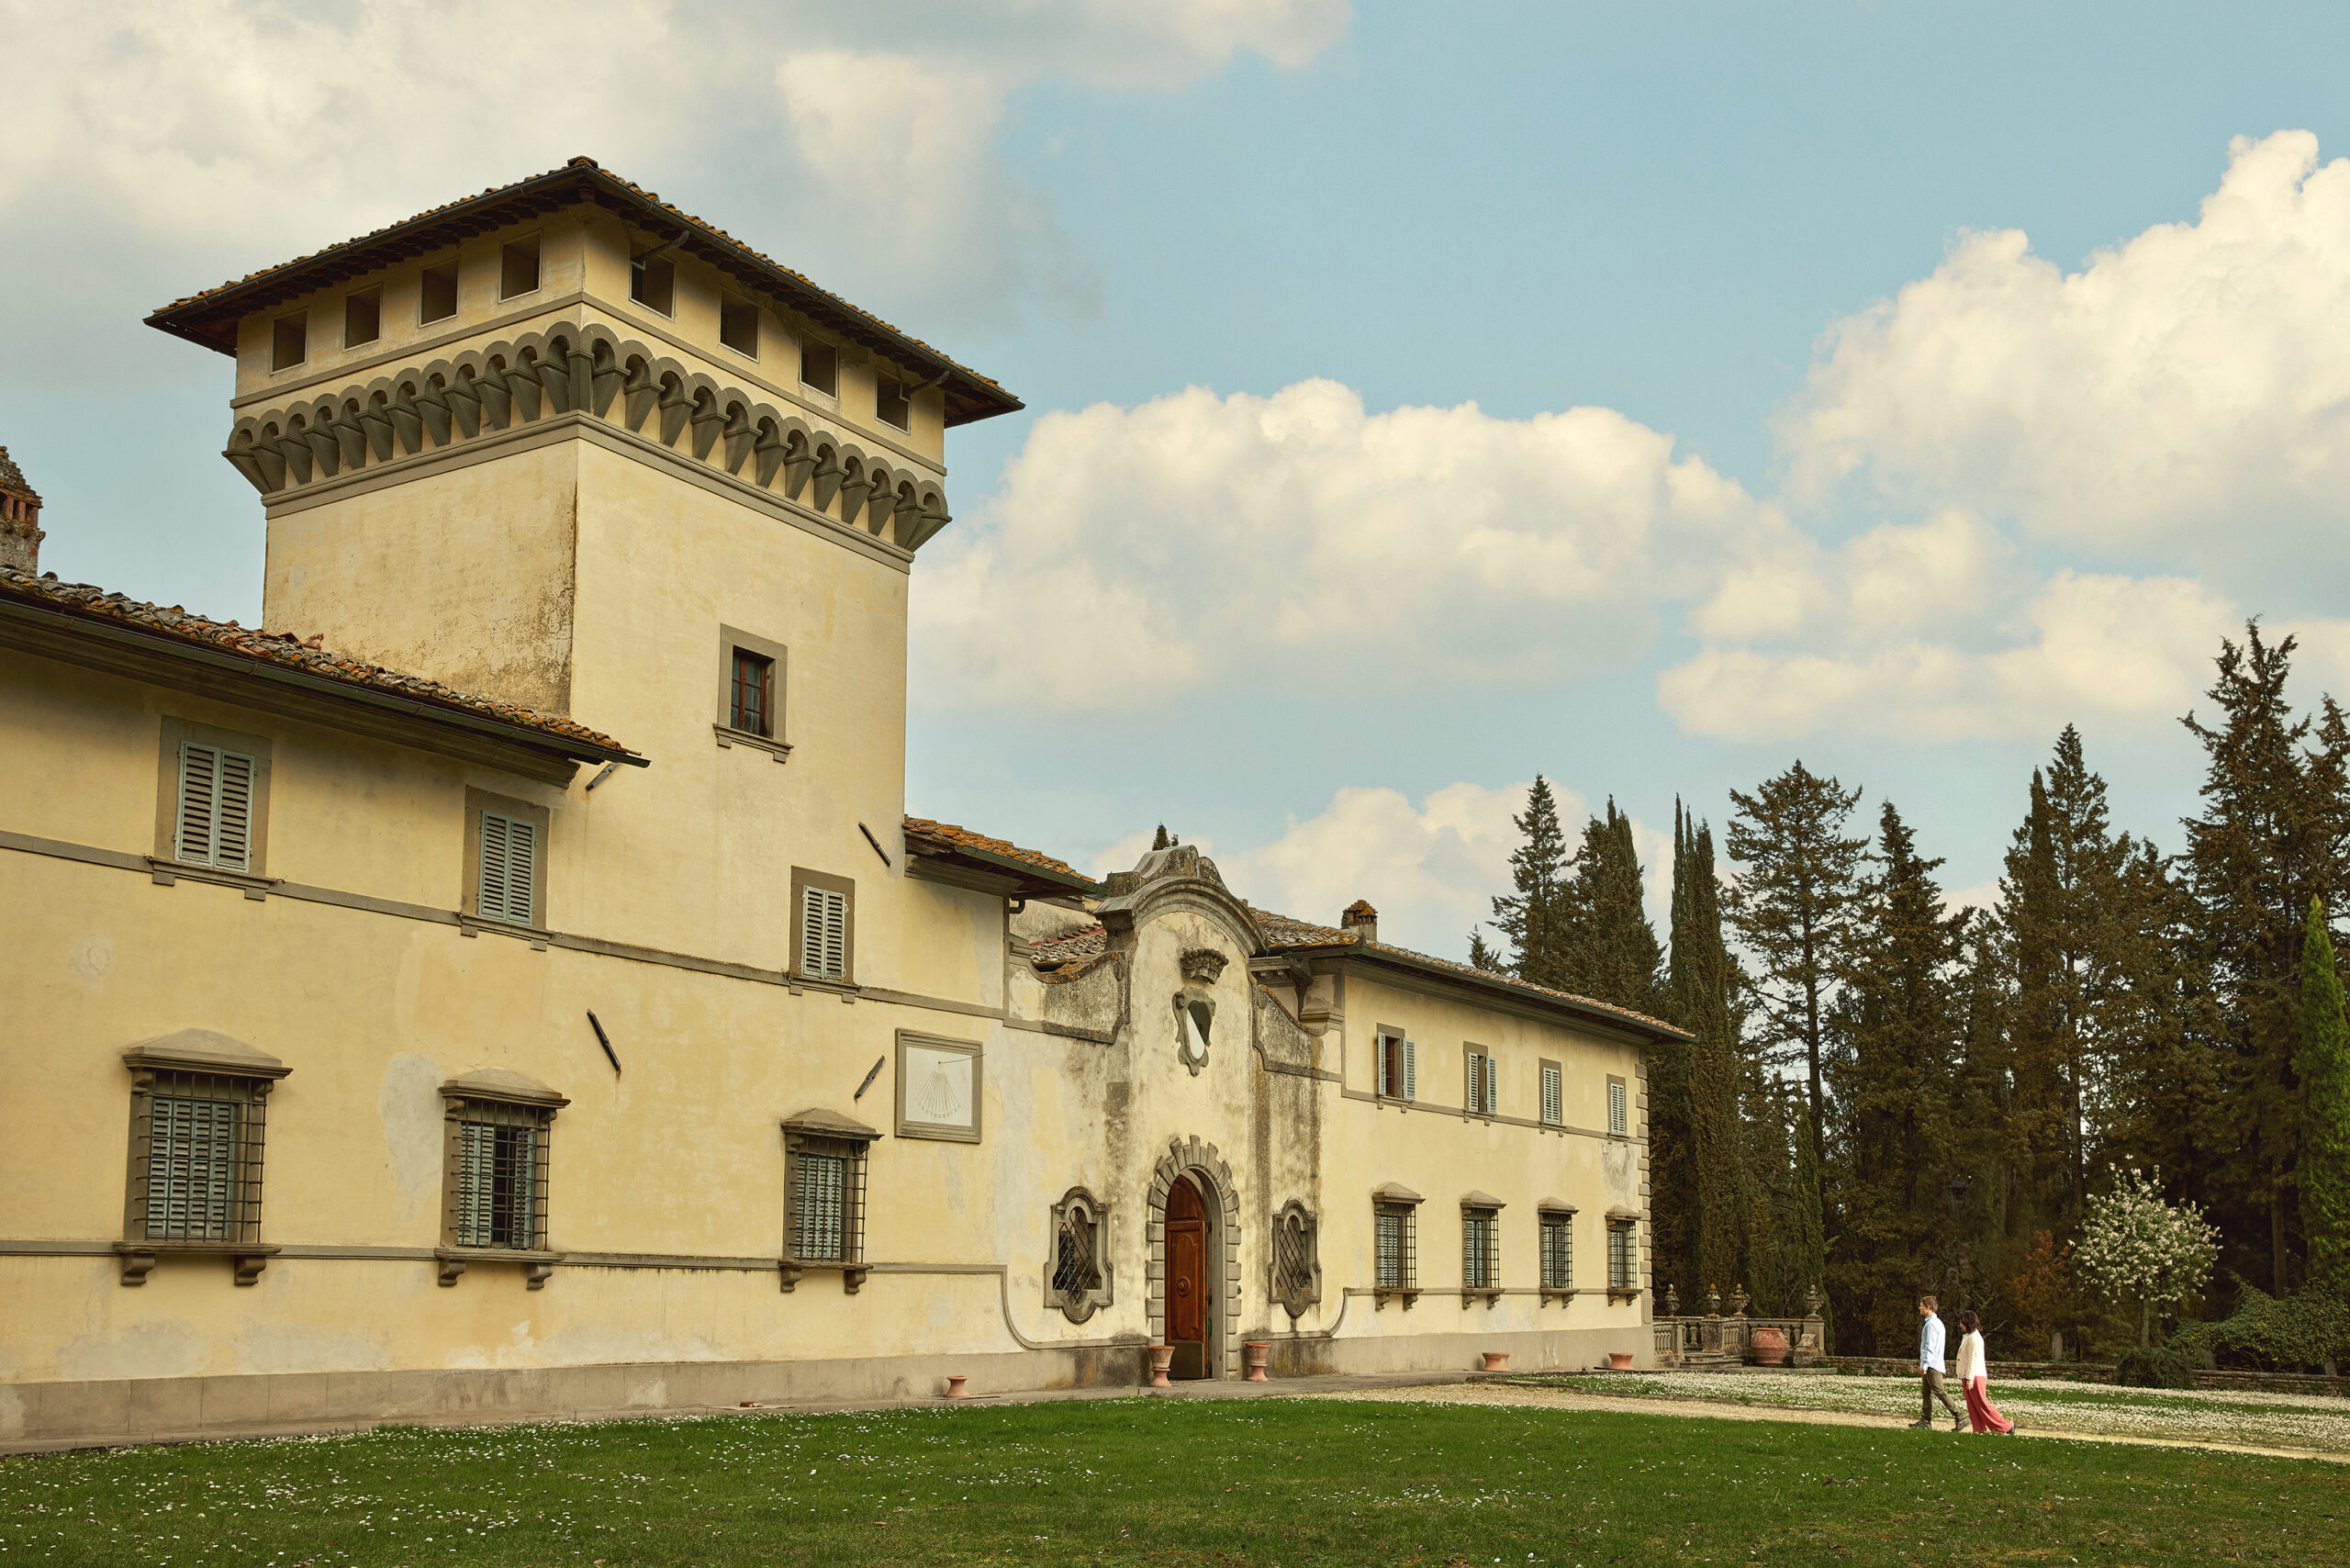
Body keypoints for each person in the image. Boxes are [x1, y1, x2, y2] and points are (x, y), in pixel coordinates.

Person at [1955, 1309, 2015, 1434]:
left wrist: (1970, 1378)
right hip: (1968, 1375)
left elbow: (1973, 1359)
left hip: (1975, 1375)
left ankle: (2005, 1426)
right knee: (1972, 1405)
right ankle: (1978, 1429)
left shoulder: (1974, 1338)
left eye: (1962, 1322)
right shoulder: (1969, 1337)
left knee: (1982, 1404)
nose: (1960, 1325)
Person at [1910, 1294, 1964, 1431]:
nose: (1919, 1307)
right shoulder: (1936, 1323)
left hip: (1932, 1365)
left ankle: (1960, 1416)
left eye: (1922, 1305)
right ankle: (1925, 1420)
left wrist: (1924, 1365)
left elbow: (1930, 1346)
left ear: (1928, 1307)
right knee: (1926, 1392)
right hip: (1932, 1363)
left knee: (1939, 1391)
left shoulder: (1932, 1325)